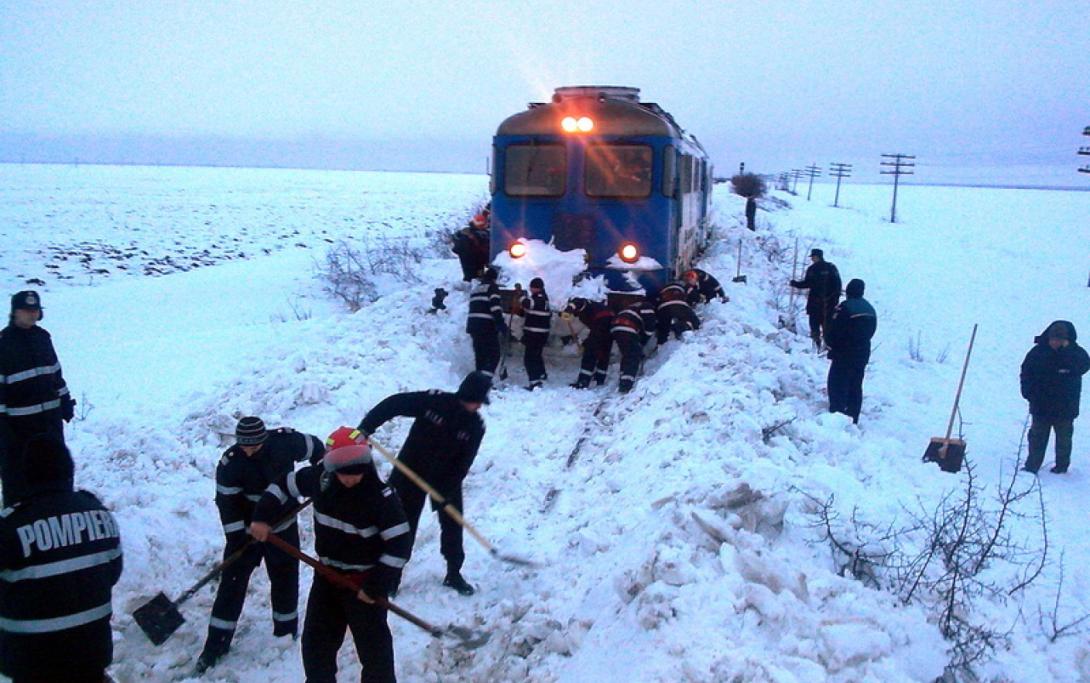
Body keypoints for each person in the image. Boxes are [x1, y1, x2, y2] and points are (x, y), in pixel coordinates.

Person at [250, 435, 411, 683]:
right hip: (326, 578)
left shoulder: (382, 499)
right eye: (343, 474)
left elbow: (399, 545)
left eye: (356, 474)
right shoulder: (320, 480)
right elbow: (282, 485)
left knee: (375, 655)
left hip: (363, 583)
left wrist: (376, 585)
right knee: (316, 648)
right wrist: (262, 517)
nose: (349, 480)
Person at [195, 417, 325, 674]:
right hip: (245, 530)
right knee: (232, 583)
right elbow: (227, 505)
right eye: (244, 446)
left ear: (263, 439)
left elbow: (317, 448)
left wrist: (322, 475)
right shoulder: (230, 464)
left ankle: (285, 631)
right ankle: (216, 646)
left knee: (285, 577)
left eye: (253, 446)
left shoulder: (285, 443)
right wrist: (241, 536)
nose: (248, 450)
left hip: (283, 524)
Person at [0, 436, 122, 683]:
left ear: (26, 475)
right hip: (92, 659)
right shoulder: (100, 515)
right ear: (69, 470)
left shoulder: (10, 525)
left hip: (30, 665)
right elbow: (112, 573)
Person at [357, 372, 488, 596]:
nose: (478, 407)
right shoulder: (434, 402)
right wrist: (365, 428)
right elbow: (395, 404)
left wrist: (445, 491)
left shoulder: (475, 426)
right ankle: (391, 578)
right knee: (400, 526)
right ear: (467, 395)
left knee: (452, 525)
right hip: (409, 472)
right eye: (476, 401)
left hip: (445, 479)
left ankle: (454, 572)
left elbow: (463, 463)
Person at [0, 291, 76, 506]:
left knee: (56, 469)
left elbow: (55, 373)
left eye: (35, 311)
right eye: (27, 311)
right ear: (15, 312)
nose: (32, 315)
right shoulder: (4, 344)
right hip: (20, 429)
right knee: (20, 476)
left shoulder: (43, 337)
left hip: (50, 422)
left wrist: (65, 401)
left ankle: (60, 509)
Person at [1020, 321, 1090, 474]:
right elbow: (1026, 372)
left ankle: (1062, 467)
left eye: (1059, 340)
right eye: (1053, 339)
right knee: (1037, 438)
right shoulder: (1037, 353)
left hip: (1065, 407)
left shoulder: (1076, 353)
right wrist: (1028, 393)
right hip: (1041, 405)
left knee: (1064, 441)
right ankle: (1032, 466)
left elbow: (1084, 366)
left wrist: (1066, 351)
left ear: (1067, 340)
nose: (1055, 343)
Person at [824, 279, 877, 424]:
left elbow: (833, 330)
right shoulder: (870, 309)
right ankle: (853, 417)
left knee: (837, 383)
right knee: (855, 384)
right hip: (863, 352)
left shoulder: (844, 308)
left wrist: (831, 345)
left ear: (848, 291)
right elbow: (872, 331)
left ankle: (837, 416)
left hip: (844, 352)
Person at [790, 249, 842, 348]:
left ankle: (818, 345)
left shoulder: (813, 269)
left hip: (818, 303)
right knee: (826, 326)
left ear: (817, 257)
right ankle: (825, 346)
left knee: (816, 325)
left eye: (813, 257)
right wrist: (835, 300)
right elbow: (838, 286)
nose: (812, 259)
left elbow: (807, 284)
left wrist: (795, 284)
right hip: (827, 304)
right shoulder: (830, 268)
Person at [466, 267, 508, 379]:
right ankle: (485, 380)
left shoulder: (476, 289)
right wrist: (501, 325)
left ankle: (478, 379)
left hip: (473, 327)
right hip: (486, 327)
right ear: (494, 278)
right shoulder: (492, 288)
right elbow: (495, 307)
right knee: (493, 354)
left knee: (480, 355)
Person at [565, 298, 615, 389]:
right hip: (611, 323)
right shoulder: (593, 307)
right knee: (604, 351)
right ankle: (600, 378)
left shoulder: (583, 303)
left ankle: (583, 382)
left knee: (590, 352)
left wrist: (568, 310)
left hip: (602, 321)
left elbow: (577, 302)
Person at [610, 301, 652, 393]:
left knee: (627, 353)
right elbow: (650, 327)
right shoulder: (648, 307)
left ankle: (623, 375)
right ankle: (626, 383)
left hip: (615, 326)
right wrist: (643, 341)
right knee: (633, 355)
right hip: (628, 326)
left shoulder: (632, 306)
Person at [518, 278, 551, 390]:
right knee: (536, 355)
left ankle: (535, 382)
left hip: (534, 333)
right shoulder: (544, 298)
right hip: (541, 333)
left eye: (531, 287)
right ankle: (541, 374)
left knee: (529, 358)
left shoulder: (538, 298)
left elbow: (528, 304)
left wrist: (521, 295)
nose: (530, 289)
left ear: (536, 287)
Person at [450, 213, 491, 283]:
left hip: (478, 259)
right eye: (481, 225)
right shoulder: (468, 235)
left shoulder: (482, 233)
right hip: (472, 259)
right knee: (472, 277)